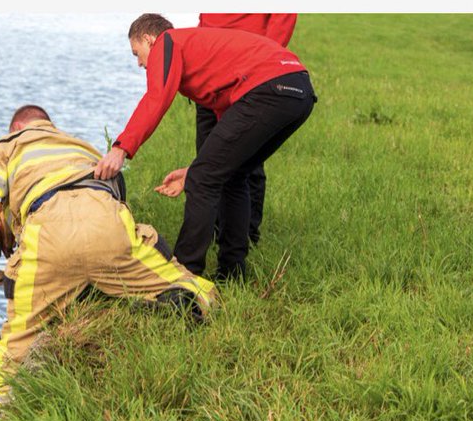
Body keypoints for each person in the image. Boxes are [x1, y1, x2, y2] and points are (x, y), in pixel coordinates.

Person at [0, 104, 218, 421]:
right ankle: (197, 301)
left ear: (17, 128)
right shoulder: (78, 145)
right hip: (105, 223)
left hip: (49, 235)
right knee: (171, 270)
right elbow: (117, 190)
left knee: (15, 342)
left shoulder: (9, 145)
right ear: (49, 126)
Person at [94, 14, 316, 282]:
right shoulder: (202, 55)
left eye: (137, 54)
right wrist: (194, 169)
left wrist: (120, 149)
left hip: (269, 89)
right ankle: (232, 274)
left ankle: (184, 276)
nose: (140, 63)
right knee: (232, 175)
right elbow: (228, 131)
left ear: (148, 39)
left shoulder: (168, 42)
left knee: (203, 181)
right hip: (297, 90)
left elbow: (156, 98)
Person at [194, 14, 298, 245]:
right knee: (208, 156)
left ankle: (246, 234)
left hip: (249, 73)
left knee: (244, 159)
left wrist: (261, 64)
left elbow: (284, 15)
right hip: (210, 73)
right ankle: (213, 229)